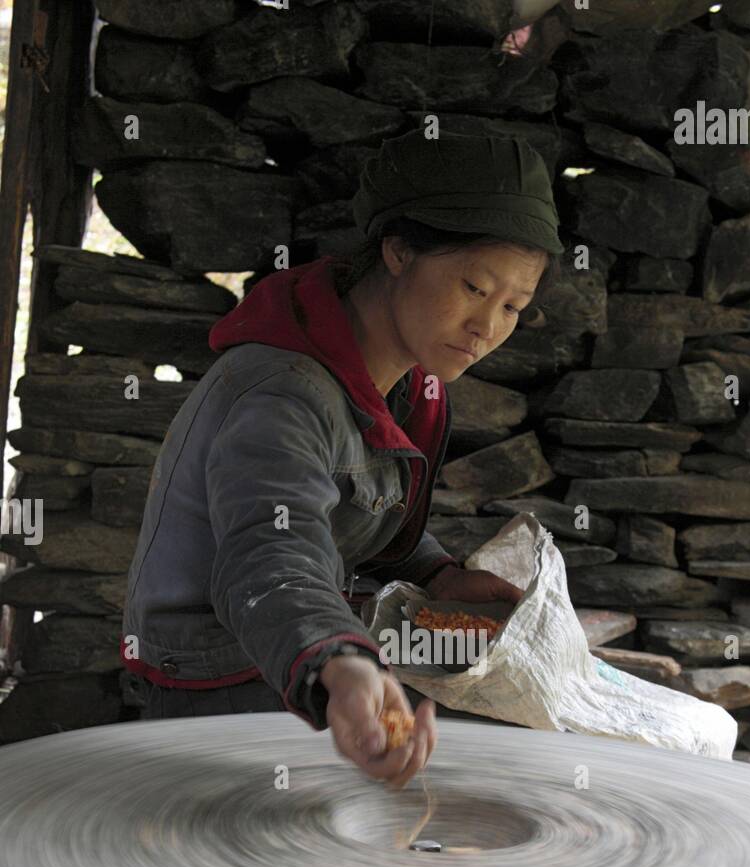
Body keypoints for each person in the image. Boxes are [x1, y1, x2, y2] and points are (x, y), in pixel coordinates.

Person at [121, 128, 563, 788]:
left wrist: (438, 575)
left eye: (513, 307)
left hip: (310, 647)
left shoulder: (409, 380)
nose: (488, 327)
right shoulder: (282, 393)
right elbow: (271, 550)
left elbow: (359, 513)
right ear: (399, 250)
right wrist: (340, 661)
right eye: (474, 287)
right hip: (218, 667)